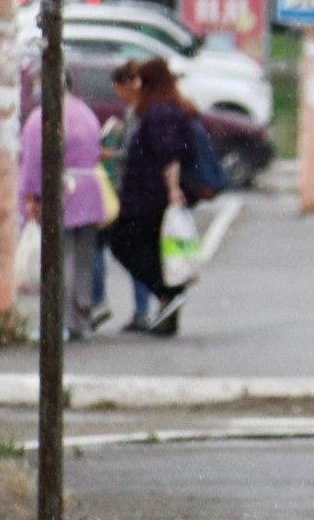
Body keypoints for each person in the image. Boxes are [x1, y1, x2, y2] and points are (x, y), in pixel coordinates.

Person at [18, 74, 107, 340]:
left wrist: (31, 197)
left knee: (59, 261)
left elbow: (33, 162)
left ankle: (59, 323)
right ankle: (82, 321)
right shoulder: (86, 113)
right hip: (89, 190)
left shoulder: (41, 118)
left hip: (60, 193)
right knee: (83, 262)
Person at [110, 57, 193, 336]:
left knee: (123, 241)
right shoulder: (165, 109)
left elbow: (170, 155)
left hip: (149, 196)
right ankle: (167, 308)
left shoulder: (160, 112)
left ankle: (168, 291)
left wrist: (172, 190)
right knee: (154, 248)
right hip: (146, 194)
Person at [97, 61, 155, 332]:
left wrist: (111, 154)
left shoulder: (139, 111)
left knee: (130, 250)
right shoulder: (139, 110)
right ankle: (142, 310)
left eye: (119, 89)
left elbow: (135, 154)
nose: (118, 95)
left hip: (132, 193)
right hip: (138, 192)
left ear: (129, 84)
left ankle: (140, 310)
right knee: (135, 251)